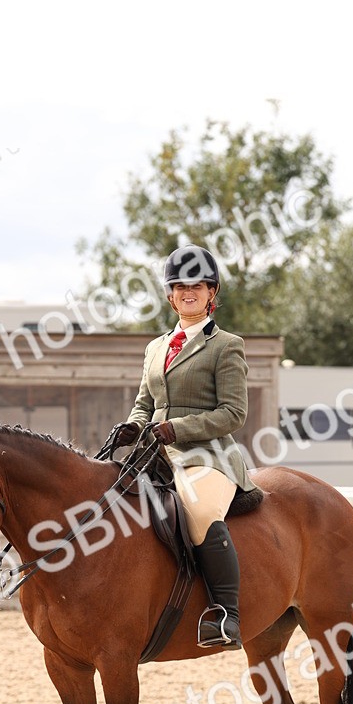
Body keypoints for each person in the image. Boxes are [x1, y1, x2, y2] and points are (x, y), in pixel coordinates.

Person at [110, 245, 258, 650]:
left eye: (197, 284)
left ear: (212, 292)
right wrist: (133, 427)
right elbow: (145, 404)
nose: (188, 291)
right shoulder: (155, 348)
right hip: (154, 451)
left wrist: (176, 428)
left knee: (199, 510)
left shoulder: (227, 345)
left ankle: (226, 614)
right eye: (180, 285)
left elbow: (233, 413)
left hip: (208, 455)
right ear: (170, 295)